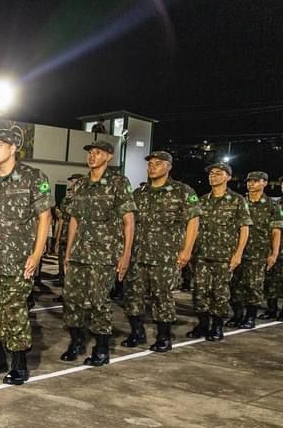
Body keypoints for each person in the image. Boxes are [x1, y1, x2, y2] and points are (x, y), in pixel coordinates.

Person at [0, 128, 54, 385]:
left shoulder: (33, 177)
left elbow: (44, 217)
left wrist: (37, 254)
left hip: (18, 260)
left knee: (15, 312)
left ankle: (19, 364)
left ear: (13, 147)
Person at [59, 140, 135, 366]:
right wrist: (68, 251)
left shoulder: (118, 183)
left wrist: (126, 254)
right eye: (90, 152)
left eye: (98, 152)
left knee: (98, 301)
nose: (92, 156)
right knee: (72, 300)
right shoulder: (80, 185)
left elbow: (128, 222)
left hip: (105, 255)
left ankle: (101, 348)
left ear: (109, 157)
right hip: (79, 253)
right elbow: (74, 219)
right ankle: (76, 341)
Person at [121, 151, 200, 352]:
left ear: (169, 167)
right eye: (150, 164)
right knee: (132, 295)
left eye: (158, 163)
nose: (152, 167)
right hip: (138, 254)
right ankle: (136, 333)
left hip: (165, 257)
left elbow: (193, 221)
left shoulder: (182, 191)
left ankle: (164, 337)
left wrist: (187, 250)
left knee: (162, 297)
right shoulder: (139, 193)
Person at [187, 162, 251, 341]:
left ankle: (216, 327)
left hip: (224, 256)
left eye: (218, 173)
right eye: (211, 174)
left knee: (220, 293)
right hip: (201, 255)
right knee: (199, 291)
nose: (212, 176)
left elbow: (244, 228)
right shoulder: (202, 201)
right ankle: (203, 324)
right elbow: (194, 227)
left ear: (228, 177)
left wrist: (238, 254)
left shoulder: (237, 200)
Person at [227, 171, 282, 328]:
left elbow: (276, 231)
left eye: (256, 181)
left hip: (258, 252)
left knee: (253, 286)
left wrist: (274, 253)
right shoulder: (241, 202)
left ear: (264, 183)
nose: (251, 184)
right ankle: (238, 315)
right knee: (235, 285)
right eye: (249, 181)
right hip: (237, 250)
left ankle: (250, 318)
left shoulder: (272, 205)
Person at [53, 173, 84, 290]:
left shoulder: (84, 199)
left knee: (74, 269)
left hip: (77, 240)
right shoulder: (66, 200)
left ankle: (72, 291)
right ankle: (64, 289)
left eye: (75, 181)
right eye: (71, 181)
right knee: (62, 264)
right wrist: (58, 237)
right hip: (65, 237)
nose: (73, 183)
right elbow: (61, 220)